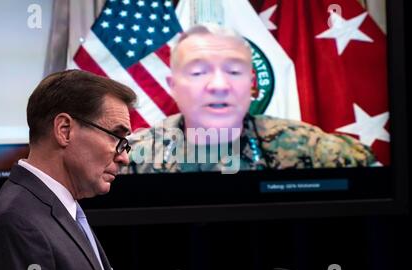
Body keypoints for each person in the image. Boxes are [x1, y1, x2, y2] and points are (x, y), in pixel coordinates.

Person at [0, 70, 136, 270]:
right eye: (116, 136)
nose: (124, 157)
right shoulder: (17, 225)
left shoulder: (61, 211)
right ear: (64, 130)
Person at [122, 24, 376, 174]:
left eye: (234, 71)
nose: (219, 85)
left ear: (252, 84)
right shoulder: (130, 157)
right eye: (198, 72)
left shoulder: (304, 146)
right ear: (174, 87)